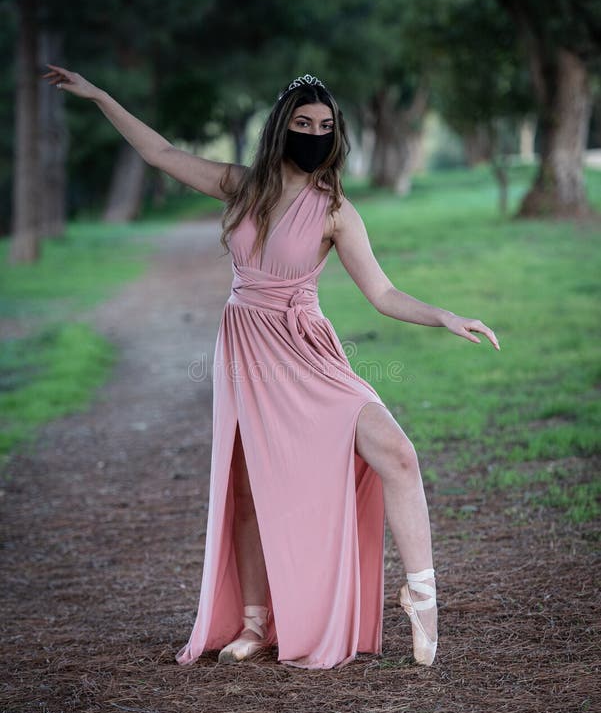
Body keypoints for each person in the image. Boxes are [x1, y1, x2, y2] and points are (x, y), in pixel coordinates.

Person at [43, 65, 500, 670]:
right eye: (303, 123)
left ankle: (422, 596)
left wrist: (444, 315)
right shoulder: (241, 186)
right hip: (246, 349)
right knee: (246, 485)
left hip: (308, 353)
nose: (314, 133)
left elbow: (383, 294)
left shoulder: (335, 209)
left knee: (398, 453)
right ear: (282, 127)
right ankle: (256, 622)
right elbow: (158, 152)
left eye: (325, 126)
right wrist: (100, 95)